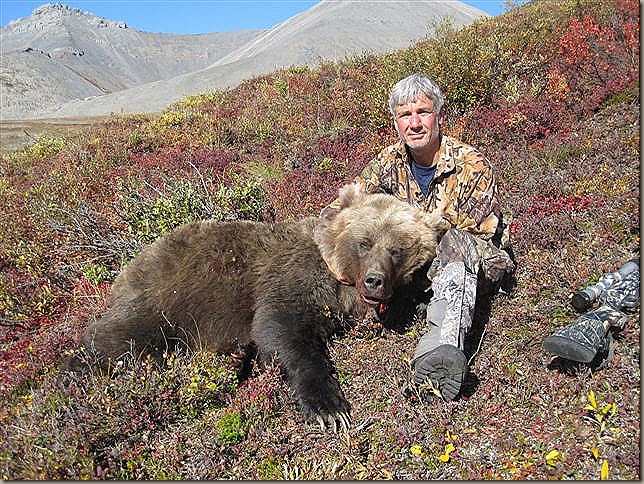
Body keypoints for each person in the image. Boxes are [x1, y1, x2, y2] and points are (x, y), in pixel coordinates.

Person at [326, 73, 515, 401]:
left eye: (422, 112)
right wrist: (340, 256)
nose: (414, 123)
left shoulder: (471, 164)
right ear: (396, 122)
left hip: (474, 260)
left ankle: (439, 349)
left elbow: (474, 235)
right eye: (405, 115)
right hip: (414, 265)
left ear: (439, 114)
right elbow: (338, 212)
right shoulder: (388, 162)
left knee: (452, 244)